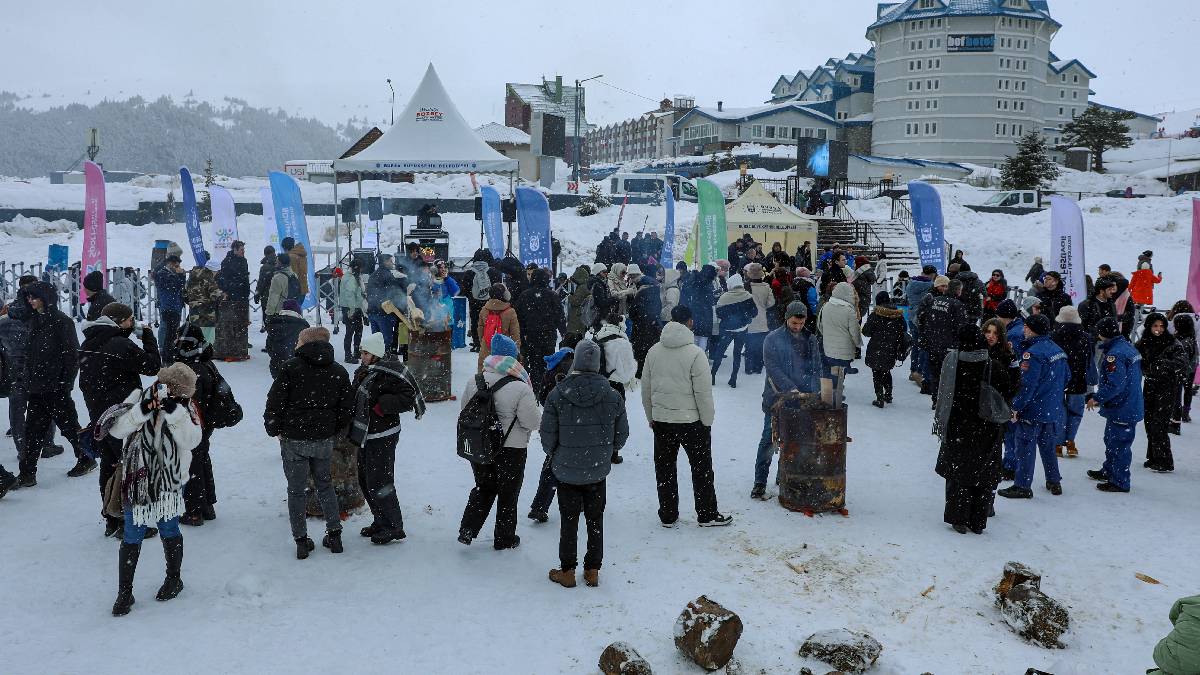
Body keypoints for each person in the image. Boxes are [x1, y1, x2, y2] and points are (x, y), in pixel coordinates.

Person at [107, 363, 204, 616]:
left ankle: (174, 579)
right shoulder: (139, 396)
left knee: (168, 527)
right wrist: (142, 410)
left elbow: (192, 440)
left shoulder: (186, 408)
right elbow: (117, 430)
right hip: (137, 479)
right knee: (132, 532)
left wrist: (173, 412)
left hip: (170, 482)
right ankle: (124, 592)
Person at [542, 339, 628, 588]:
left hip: (566, 470)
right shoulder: (612, 395)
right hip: (597, 470)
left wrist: (557, 454)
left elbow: (547, 435)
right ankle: (592, 569)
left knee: (568, 520)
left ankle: (567, 570)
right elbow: (621, 435)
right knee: (595, 519)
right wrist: (606, 451)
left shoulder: (558, 394)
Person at [264, 326, 353, 559]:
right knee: (325, 485)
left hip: (294, 438)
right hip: (323, 439)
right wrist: (332, 429)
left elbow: (275, 402)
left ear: (304, 343)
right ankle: (334, 535)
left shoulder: (290, 369)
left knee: (296, 490)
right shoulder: (338, 371)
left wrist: (274, 429)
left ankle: (301, 540)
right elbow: (347, 408)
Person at [641, 305, 731, 527]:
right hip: (691, 423)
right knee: (701, 469)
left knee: (664, 469)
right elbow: (703, 393)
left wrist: (651, 415)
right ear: (690, 322)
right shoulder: (695, 353)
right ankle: (707, 514)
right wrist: (707, 421)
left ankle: (668, 514)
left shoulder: (654, 351)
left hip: (662, 421)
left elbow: (646, 388)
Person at [78, 302, 161, 537]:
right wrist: (148, 337)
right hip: (122, 415)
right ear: (121, 321)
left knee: (109, 464)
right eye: (130, 319)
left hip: (100, 415)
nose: (132, 323)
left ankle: (110, 519)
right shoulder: (120, 344)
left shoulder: (90, 341)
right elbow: (153, 366)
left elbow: (86, 380)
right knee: (127, 467)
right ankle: (127, 522)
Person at [457, 334, 539, 550]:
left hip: (481, 444)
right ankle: (504, 538)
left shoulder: (475, 381)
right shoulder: (521, 387)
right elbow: (532, 422)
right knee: (508, 493)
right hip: (511, 449)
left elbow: (465, 410)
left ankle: (468, 528)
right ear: (513, 358)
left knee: (484, 487)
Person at [934, 326, 1012, 534]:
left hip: (958, 426)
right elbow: (1009, 389)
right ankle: (978, 520)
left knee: (958, 474)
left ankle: (958, 517)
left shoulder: (952, 362)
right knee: (982, 474)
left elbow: (941, 391)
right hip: (986, 427)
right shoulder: (991, 365)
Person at [351, 331, 425, 545]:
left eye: (365, 353)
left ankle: (393, 526)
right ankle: (380, 519)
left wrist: (382, 406)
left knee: (380, 481)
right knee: (365, 478)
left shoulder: (391, 372)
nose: (362, 356)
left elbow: (407, 397)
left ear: (375, 354)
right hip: (365, 433)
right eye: (361, 352)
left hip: (383, 434)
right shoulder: (365, 371)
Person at [15, 281, 91, 485]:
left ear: (46, 298)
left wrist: (65, 384)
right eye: (28, 297)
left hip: (55, 387)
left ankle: (86, 458)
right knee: (32, 432)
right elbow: (31, 354)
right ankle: (27, 473)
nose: (31, 301)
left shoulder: (61, 321)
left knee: (70, 427)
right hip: (37, 387)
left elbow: (72, 355)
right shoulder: (34, 320)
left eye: (34, 297)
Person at [754, 302, 823, 499]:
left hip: (803, 400)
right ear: (787, 319)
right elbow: (772, 368)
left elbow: (816, 367)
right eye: (794, 323)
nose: (797, 327)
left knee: (794, 440)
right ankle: (759, 482)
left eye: (801, 324)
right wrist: (789, 388)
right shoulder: (772, 339)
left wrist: (814, 390)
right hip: (776, 399)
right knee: (769, 440)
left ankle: (783, 475)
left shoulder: (810, 339)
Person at [998, 314, 1069, 499]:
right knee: (1047, 446)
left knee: (1025, 447)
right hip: (1052, 408)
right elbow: (1067, 377)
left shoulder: (1033, 354)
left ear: (1031, 329)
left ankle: (1022, 485)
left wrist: (1016, 407)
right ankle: (1054, 480)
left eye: (1026, 327)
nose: (1023, 330)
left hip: (1033, 409)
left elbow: (1027, 386)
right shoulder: (1058, 350)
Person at [1, 276, 62, 468]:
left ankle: (23, 450)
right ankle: (47, 444)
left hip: (13, 371)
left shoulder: (6, 318)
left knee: (17, 412)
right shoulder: (43, 318)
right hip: (38, 370)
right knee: (44, 407)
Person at [173, 324, 229, 526]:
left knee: (191, 463)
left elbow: (186, 402)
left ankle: (194, 510)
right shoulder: (204, 362)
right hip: (205, 423)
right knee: (202, 460)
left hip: (193, 424)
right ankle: (206, 505)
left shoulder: (190, 369)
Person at [1085, 317, 1144, 492]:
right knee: (1112, 440)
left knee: (1119, 444)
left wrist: (1097, 397)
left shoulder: (1115, 355)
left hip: (1122, 407)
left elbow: (1115, 384)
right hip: (1127, 404)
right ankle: (1110, 470)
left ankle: (1119, 480)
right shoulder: (1126, 347)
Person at [527, 336, 581, 523]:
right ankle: (580, 503)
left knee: (551, 467)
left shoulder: (552, 369)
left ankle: (540, 506)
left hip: (558, 425)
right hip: (580, 424)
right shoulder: (581, 368)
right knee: (582, 464)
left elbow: (542, 397)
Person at [1135, 313, 1189, 473]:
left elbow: (1182, 363)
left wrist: (1163, 365)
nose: (1158, 330)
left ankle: (1165, 460)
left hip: (1167, 387)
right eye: (1155, 326)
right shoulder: (1143, 343)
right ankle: (1153, 456)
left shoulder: (1172, 343)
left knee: (1159, 424)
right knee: (1149, 422)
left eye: (1161, 326)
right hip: (1150, 386)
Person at [1051, 306, 1094, 459]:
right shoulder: (1086, 337)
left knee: (1058, 411)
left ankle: (1057, 443)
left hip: (1058, 380)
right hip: (1079, 380)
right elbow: (1090, 361)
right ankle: (1070, 441)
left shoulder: (1054, 336)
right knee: (1075, 413)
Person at [594, 311, 637, 464]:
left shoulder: (596, 336)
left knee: (597, 418)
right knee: (616, 420)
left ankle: (596, 449)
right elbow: (627, 374)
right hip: (616, 386)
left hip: (598, 382)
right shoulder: (623, 343)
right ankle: (613, 453)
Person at [515, 268, 565, 398]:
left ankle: (534, 389)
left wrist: (521, 334)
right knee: (547, 362)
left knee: (533, 362)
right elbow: (560, 316)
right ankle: (545, 389)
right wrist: (563, 332)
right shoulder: (552, 295)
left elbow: (518, 317)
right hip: (548, 335)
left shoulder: (525, 295)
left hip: (530, 336)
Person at [917, 276, 966, 398]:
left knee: (935, 371)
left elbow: (922, 318)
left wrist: (926, 335)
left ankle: (935, 398)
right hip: (948, 345)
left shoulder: (935, 300)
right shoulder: (957, 304)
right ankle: (943, 399)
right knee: (947, 374)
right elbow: (961, 327)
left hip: (933, 343)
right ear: (957, 290)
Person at [863, 292, 910, 408]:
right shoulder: (898, 315)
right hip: (891, 349)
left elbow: (866, 332)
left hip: (876, 348)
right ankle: (888, 395)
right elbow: (904, 329)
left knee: (876, 372)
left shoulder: (875, 314)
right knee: (886, 371)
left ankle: (879, 398)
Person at [711, 275, 757, 388]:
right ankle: (733, 378)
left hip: (726, 330)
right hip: (742, 329)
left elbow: (719, 314)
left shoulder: (724, 297)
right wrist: (745, 317)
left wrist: (729, 317)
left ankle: (712, 375)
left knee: (720, 352)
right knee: (737, 353)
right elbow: (754, 312)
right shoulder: (748, 296)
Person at [818, 282, 862, 395]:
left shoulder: (825, 306)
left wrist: (828, 336)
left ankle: (832, 391)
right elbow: (855, 332)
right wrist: (857, 344)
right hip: (844, 350)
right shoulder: (849, 311)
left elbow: (820, 326)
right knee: (840, 371)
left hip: (828, 348)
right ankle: (836, 393)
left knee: (832, 370)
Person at [214, 241, 251, 361]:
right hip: (232, 298)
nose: (243, 252)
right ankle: (230, 352)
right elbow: (223, 280)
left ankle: (242, 351)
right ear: (235, 249)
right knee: (230, 326)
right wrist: (229, 291)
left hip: (243, 297)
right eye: (241, 249)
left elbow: (245, 278)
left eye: (244, 250)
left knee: (243, 325)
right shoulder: (227, 262)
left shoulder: (244, 261)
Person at [365, 254, 406, 354]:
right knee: (386, 342)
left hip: (372, 311)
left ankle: (377, 362)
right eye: (390, 261)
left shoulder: (373, 275)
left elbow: (369, 293)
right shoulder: (387, 275)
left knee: (376, 341)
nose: (392, 263)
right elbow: (395, 294)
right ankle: (385, 363)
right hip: (383, 313)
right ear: (385, 262)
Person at [905, 265, 937, 386]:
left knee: (915, 344)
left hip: (911, 315)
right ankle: (919, 372)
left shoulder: (911, 283)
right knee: (923, 345)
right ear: (932, 274)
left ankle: (913, 370)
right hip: (921, 318)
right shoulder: (929, 286)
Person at [462, 250, 500, 352]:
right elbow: (498, 288)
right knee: (490, 322)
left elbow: (465, 289)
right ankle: (488, 342)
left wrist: (471, 297)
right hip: (490, 303)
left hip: (474, 303)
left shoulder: (469, 272)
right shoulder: (494, 272)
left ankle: (477, 343)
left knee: (475, 322)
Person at [477, 283, 521, 370]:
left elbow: (480, 329)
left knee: (484, 373)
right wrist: (516, 349)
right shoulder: (510, 311)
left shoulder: (484, 310)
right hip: (505, 348)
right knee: (502, 374)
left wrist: (483, 342)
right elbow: (515, 333)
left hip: (487, 346)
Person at [153, 255, 186, 365]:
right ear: (170, 264)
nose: (178, 267)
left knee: (172, 332)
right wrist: (181, 275)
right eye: (176, 265)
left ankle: (168, 355)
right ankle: (167, 357)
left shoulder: (168, 274)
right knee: (169, 333)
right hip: (169, 307)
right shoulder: (163, 274)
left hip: (174, 306)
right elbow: (176, 286)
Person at [629, 269, 662, 379]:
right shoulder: (657, 294)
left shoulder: (640, 295)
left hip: (640, 327)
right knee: (651, 349)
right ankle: (651, 371)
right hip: (652, 327)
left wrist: (637, 319)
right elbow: (658, 310)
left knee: (640, 350)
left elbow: (632, 312)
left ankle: (640, 371)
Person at [744, 263, 775, 374]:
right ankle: (758, 367)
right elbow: (771, 302)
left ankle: (748, 368)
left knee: (749, 345)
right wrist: (763, 307)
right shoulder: (766, 286)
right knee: (761, 346)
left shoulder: (746, 286)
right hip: (762, 319)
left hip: (749, 320)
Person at [185, 254, 223, 345]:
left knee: (195, 338)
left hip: (194, 313)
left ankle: (194, 356)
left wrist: (193, 303)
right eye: (217, 271)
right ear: (213, 270)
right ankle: (205, 357)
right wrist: (222, 295)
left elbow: (184, 293)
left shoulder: (192, 276)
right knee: (207, 339)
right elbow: (215, 296)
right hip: (207, 315)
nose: (217, 274)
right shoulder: (209, 279)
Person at [266, 299, 309, 378]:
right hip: (298, 367)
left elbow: (269, 347)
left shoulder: (274, 324)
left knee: (281, 388)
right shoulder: (303, 327)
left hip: (277, 366)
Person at [336, 259, 367, 363]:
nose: (362, 270)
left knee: (358, 330)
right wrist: (351, 310)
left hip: (355, 307)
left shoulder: (354, 277)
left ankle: (356, 351)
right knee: (350, 331)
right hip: (350, 308)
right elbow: (350, 295)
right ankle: (348, 355)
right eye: (361, 267)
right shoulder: (350, 278)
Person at [683, 265, 718, 351]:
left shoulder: (695, 279)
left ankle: (693, 358)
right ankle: (701, 358)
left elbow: (688, 292)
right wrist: (716, 296)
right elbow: (710, 300)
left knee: (695, 336)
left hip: (694, 311)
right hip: (705, 313)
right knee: (704, 337)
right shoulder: (708, 283)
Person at [254, 245, 277, 332]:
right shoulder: (280, 263)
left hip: (267, 297)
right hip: (279, 296)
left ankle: (270, 340)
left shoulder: (265, 267)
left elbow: (261, 283)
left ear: (265, 254)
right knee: (277, 319)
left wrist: (257, 294)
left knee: (267, 318)